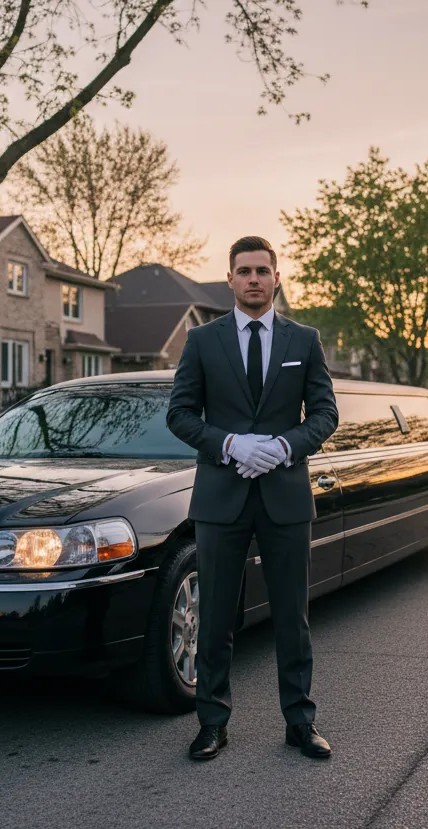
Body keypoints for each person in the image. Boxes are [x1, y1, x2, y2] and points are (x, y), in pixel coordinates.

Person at [166, 235, 339, 761]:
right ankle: (212, 723)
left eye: (263, 270)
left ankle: (300, 722)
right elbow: (180, 414)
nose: (254, 279)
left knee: (293, 616)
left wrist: (286, 446)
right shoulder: (202, 341)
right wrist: (229, 444)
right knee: (215, 616)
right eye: (244, 271)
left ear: (277, 277)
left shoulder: (304, 340)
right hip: (221, 498)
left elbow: (326, 414)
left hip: (285, 497)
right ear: (230, 280)